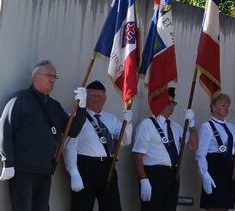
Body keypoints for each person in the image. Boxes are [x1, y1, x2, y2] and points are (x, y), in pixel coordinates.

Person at [0, 60, 82, 211]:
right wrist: (8, 162)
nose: (52, 79)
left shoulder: (55, 106)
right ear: (35, 77)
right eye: (49, 75)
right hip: (23, 169)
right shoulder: (20, 99)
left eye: (55, 77)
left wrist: (81, 109)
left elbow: (73, 130)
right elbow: (5, 129)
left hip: (45, 170)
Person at [64, 80, 133, 211]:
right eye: (91, 95)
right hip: (85, 166)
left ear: (105, 98)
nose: (95, 99)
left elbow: (125, 140)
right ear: (86, 96)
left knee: (112, 207)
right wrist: (73, 172)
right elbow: (69, 147)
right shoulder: (76, 117)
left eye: (99, 96)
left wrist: (128, 123)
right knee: (82, 207)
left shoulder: (111, 118)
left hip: (108, 166)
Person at [132, 87, 197, 211]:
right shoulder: (147, 124)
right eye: (168, 102)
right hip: (154, 174)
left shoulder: (176, 126)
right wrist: (143, 178)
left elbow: (193, 146)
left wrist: (192, 125)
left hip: (173, 175)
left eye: (173, 103)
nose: (171, 105)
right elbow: (137, 155)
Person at [196, 92, 235, 211]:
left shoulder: (232, 127)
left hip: (230, 169)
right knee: (213, 206)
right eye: (223, 105)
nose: (227, 108)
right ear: (213, 107)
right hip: (215, 169)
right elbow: (200, 154)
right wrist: (204, 175)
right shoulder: (207, 126)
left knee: (224, 207)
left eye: (228, 105)